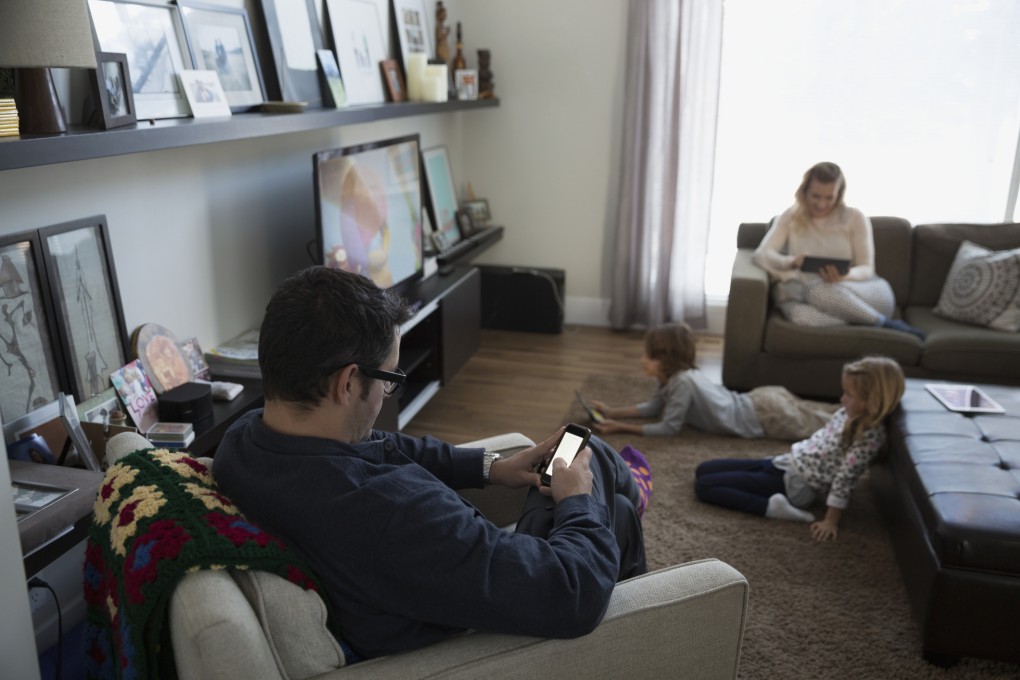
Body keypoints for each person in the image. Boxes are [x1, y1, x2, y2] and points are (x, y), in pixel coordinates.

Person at [212, 266, 647, 660]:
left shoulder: (246, 439)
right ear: (347, 383)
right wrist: (576, 499)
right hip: (475, 624)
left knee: (601, 485)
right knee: (599, 481)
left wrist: (491, 468)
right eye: (390, 379)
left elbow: (378, 443)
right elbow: (572, 592)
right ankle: (634, 639)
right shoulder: (393, 513)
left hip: (420, 582)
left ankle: (624, 508)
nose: (388, 394)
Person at [693, 356, 905, 542]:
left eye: (849, 395)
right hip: (784, 462)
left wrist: (830, 521)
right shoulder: (847, 414)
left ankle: (772, 508)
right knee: (704, 469)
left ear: (872, 400)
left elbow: (845, 480)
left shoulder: (868, 438)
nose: (842, 399)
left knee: (705, 487)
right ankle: (769, 490)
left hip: (796, 484)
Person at [752, 161, 925, 339]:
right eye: (815, 196)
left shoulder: (854, 217)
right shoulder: (790, 217)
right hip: (811, 295)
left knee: (818, 291)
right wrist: (790, 261)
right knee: (801, 314)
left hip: (864, 291)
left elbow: (867, 268)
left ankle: (882, 321)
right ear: (804, 191)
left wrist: (844, 277)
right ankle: (867, 321)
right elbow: (761, 255)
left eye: (829, 198)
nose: (821, 204)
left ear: (839, 194)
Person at [591, 322, 838, 441]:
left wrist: (620, 427)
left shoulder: (682, 383)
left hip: (763, 415)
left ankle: (868, 425)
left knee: (825, 429)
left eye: (649, 356)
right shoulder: (667, 376)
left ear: (665, 360)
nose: (642, 359)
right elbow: (655, 407)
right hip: (758, 400)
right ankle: (861, 414)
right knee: (816, 412)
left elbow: (669, 427)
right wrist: (614, 412)